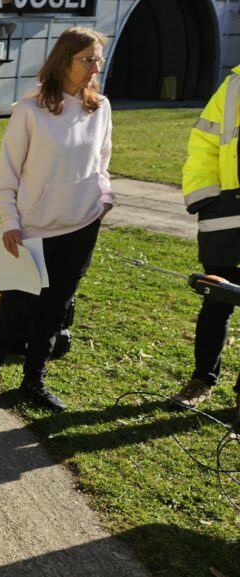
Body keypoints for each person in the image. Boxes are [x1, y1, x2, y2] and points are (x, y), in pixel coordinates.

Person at [0, 27, 114, 415]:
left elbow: (102, 162)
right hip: (28, 231)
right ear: (64, 60)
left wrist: (104, 197)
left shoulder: (100, 107)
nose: (95, 67)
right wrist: (9, 222)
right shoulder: (30, 110)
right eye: (88, 59)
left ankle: (34, 380)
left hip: (82, 226)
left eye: (98, 59)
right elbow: (6, 173)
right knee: (12, 312)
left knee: (54, 311)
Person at [171, 64, 240, 421]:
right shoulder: (234, 85)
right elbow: (203, 142)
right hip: (226, 214)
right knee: (217, 300)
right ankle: (201, 380)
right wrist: (206, 197)